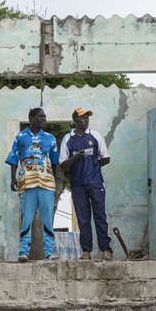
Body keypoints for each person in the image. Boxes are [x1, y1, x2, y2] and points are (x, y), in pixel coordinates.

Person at [5, 108, 60, 262]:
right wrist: (13, 178)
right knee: (26, 218)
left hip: (46, 183)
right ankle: (23, 252)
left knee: (47, 219)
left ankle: (49, 252)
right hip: (26, 182)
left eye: (45, 116)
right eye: (41, 116)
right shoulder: (21, 136)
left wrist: (53, 180)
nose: (44, 119)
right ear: (31, 118)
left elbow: (54, 161)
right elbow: (14, 158)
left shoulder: (50, 138)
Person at [59, 107, 113, 260]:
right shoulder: (68, 139)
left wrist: (93, 167)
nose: (86, 120)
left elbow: (106, 158)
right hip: (78, 185)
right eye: (82, 118)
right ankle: (86, 251)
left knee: (100, 216)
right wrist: (76, 158)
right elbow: (63, 164)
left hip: (95, 183)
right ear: (75, 120)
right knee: (83, 219)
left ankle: (106, 250)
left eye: (87, 118)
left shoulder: (95, 135)